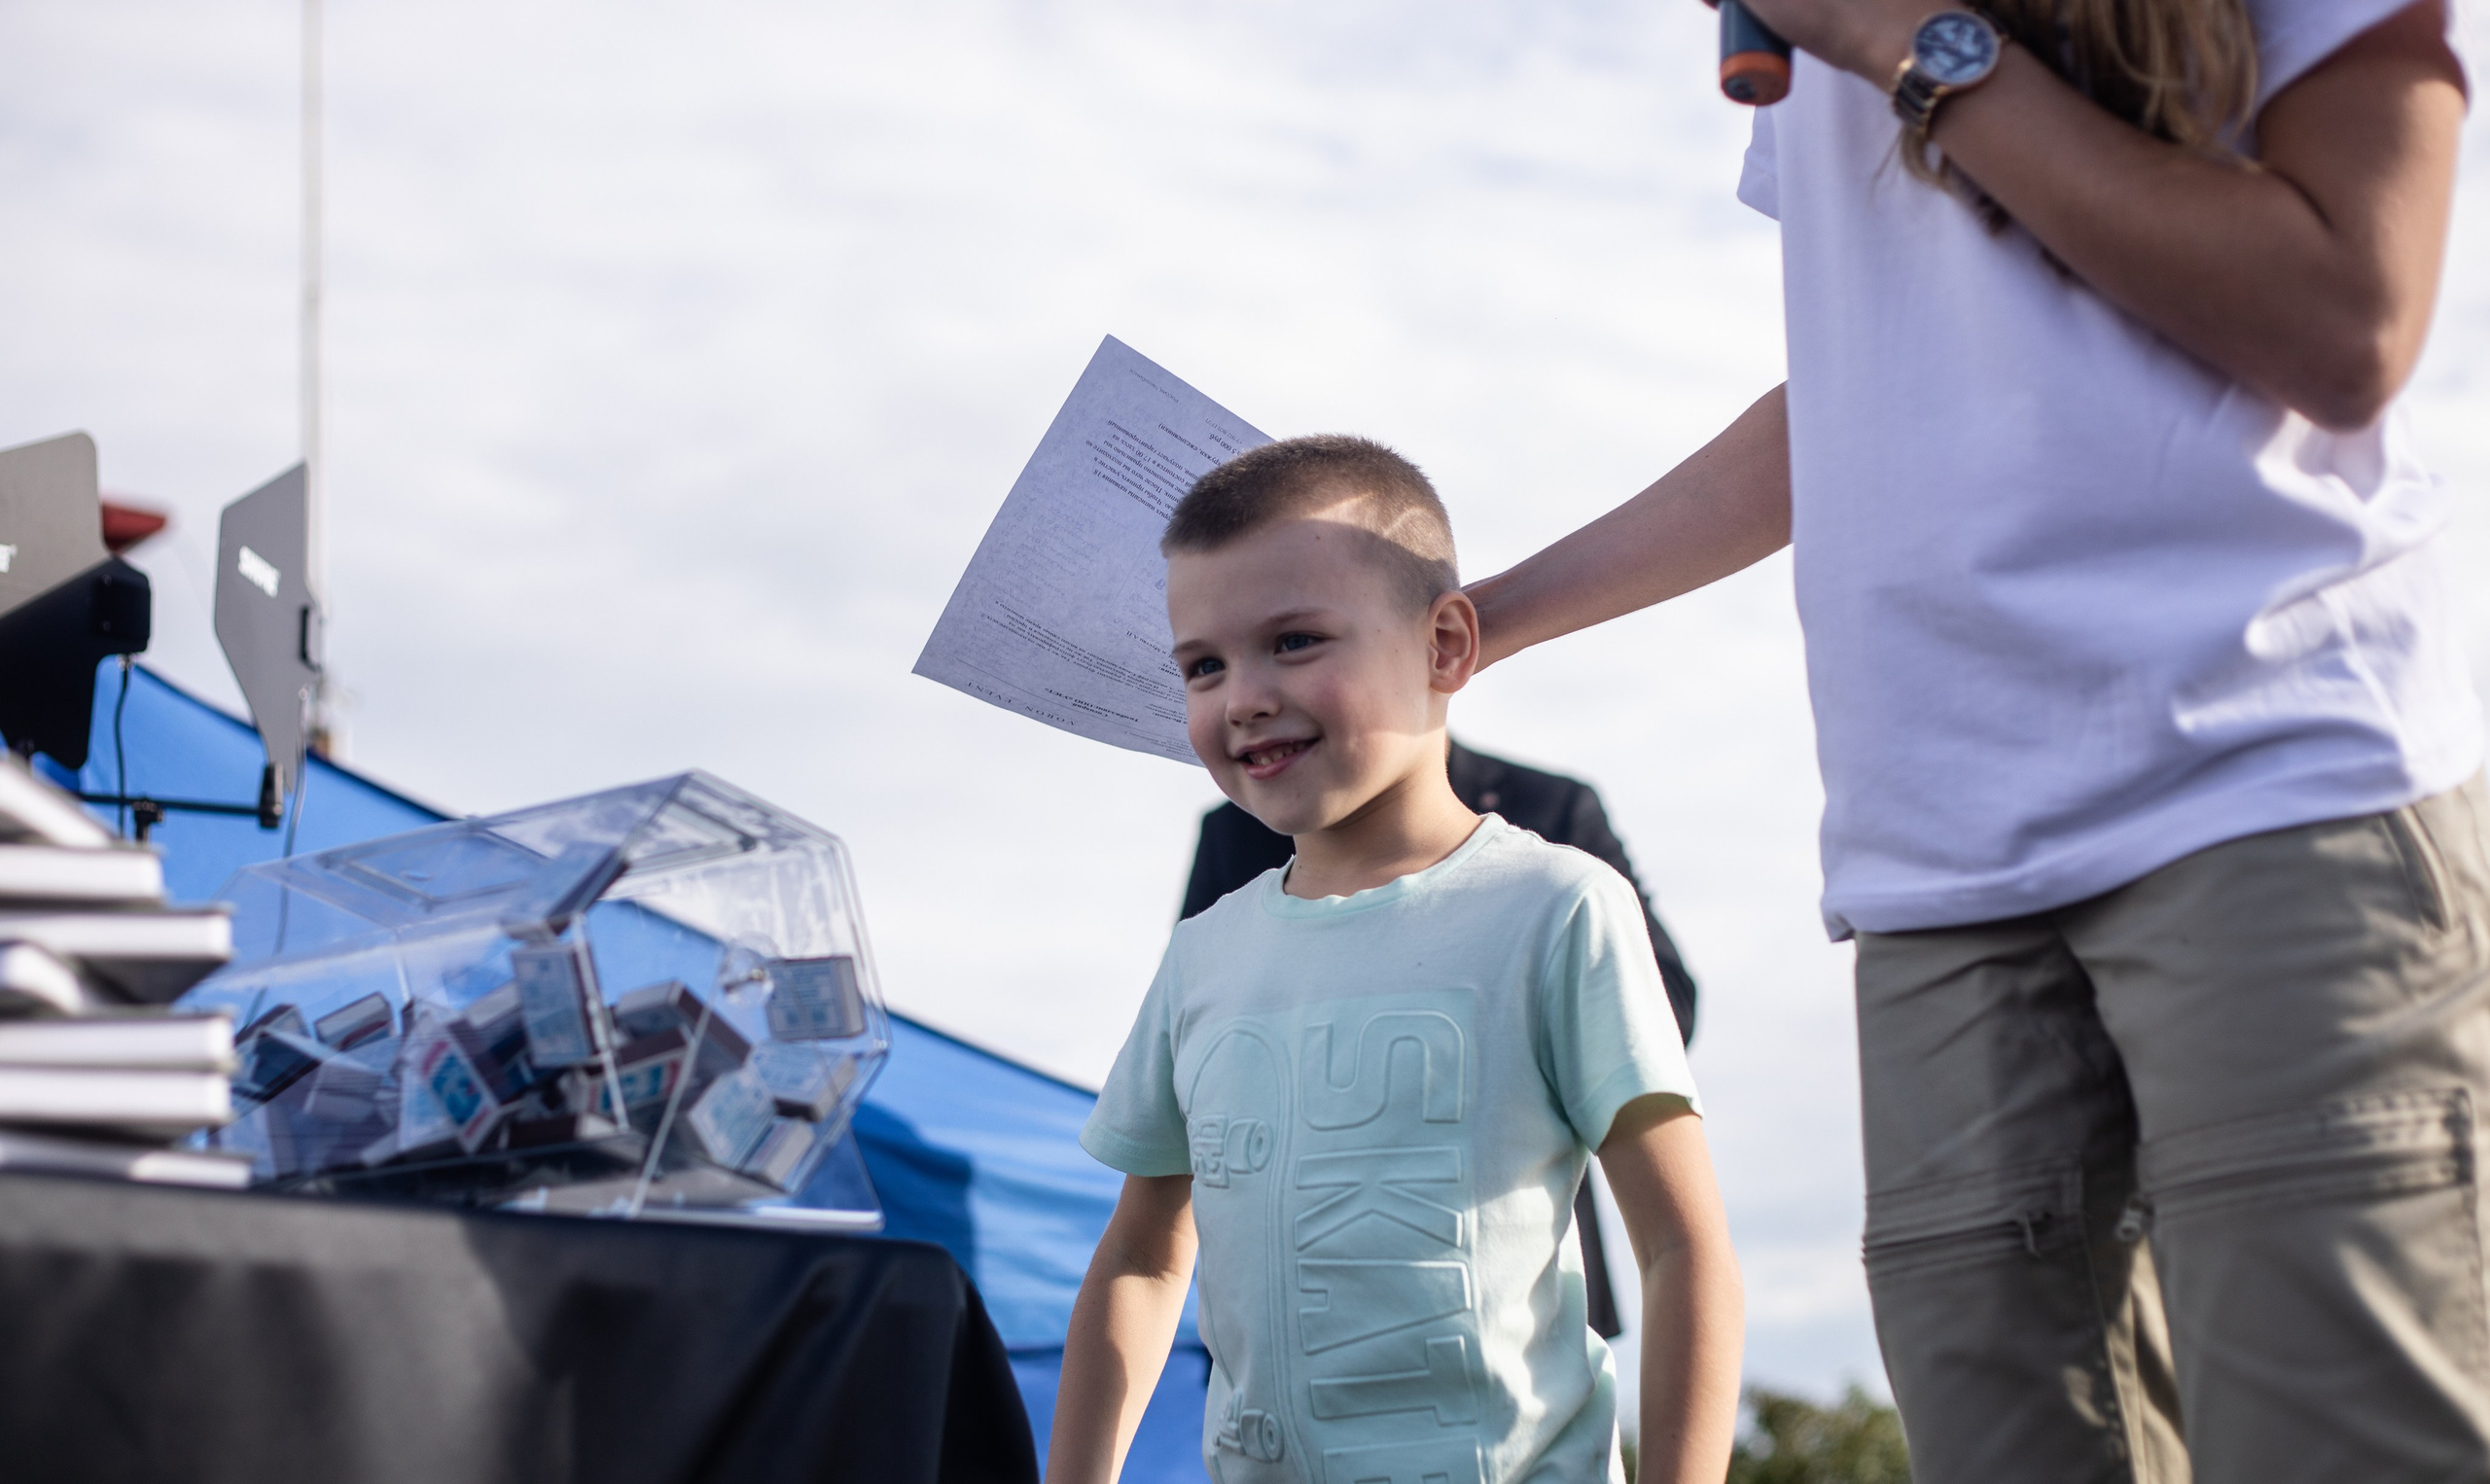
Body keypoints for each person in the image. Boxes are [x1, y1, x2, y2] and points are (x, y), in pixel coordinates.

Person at [1463, 1, 2480, 1480]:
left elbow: (2349, 318)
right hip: (1937, 867)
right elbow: (1866, 386)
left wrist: (1908, 40)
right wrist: (1482, 622)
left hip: (2268, 787)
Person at [1049, 437, 1743, 1484]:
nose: (1241, 695)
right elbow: (1145, 1254)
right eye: (1203, 663)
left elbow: (1683, 1250)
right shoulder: (1203, 956)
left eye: (1293, 640)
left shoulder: (1557, 903)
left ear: (1447, 644)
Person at [1183, 743, 1701, 1043]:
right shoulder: (1232, 833)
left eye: (1300, 643)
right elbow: (1194, 1030)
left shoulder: (1553, 808)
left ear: (1440, 648)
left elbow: (1666, 1011)